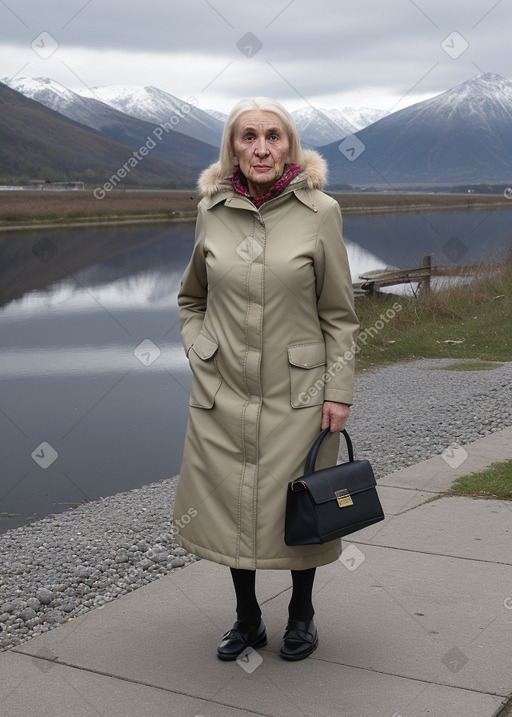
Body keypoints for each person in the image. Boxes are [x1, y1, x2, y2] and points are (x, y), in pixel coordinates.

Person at [173, 97, 359, 662]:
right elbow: (191, 299)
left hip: (297, 396)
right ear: (232, 147)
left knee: (297, 504)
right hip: (222, 393)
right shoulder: (212, 210)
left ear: (289, 146)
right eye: (247, 136)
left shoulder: (321, 211)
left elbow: (339, 315)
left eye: (272, 137)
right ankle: (248, 618)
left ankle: (301, 616)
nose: (260, 148)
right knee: (233, 505)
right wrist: (203, 352)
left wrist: (338, 390)